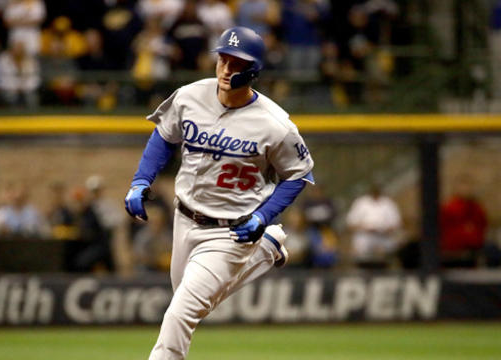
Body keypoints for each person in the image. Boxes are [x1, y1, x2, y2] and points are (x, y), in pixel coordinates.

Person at [124, 26, 314, 359]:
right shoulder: (190, 96)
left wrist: (263, 216)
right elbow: (163, 137)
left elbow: (299, 174)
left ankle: (261, 244)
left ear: (253, 70)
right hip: (184, 220)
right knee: (193, 304)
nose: (226, 69)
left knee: (179, 314)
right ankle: (265, 250)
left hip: (232, 229)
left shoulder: (276, 124)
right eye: (223, 59)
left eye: (236, 63)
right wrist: (141, 181)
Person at [346, 183, 402, 268]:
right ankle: (361, 268)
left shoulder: (388, 203)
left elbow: (396, 224)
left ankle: (383, 267)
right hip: (365, 235)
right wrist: (366, 228)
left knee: (389, 245)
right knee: (360, 244)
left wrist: (384, 230)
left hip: (383, 235)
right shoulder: (361, 202)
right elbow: (351, 224)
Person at [439, 181, 488, 267]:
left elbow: (480, 231)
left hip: (472, 252)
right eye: (463, 187)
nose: (466, 190)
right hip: (450, 253)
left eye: (468, 187)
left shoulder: (477, 209)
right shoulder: (449, 208)